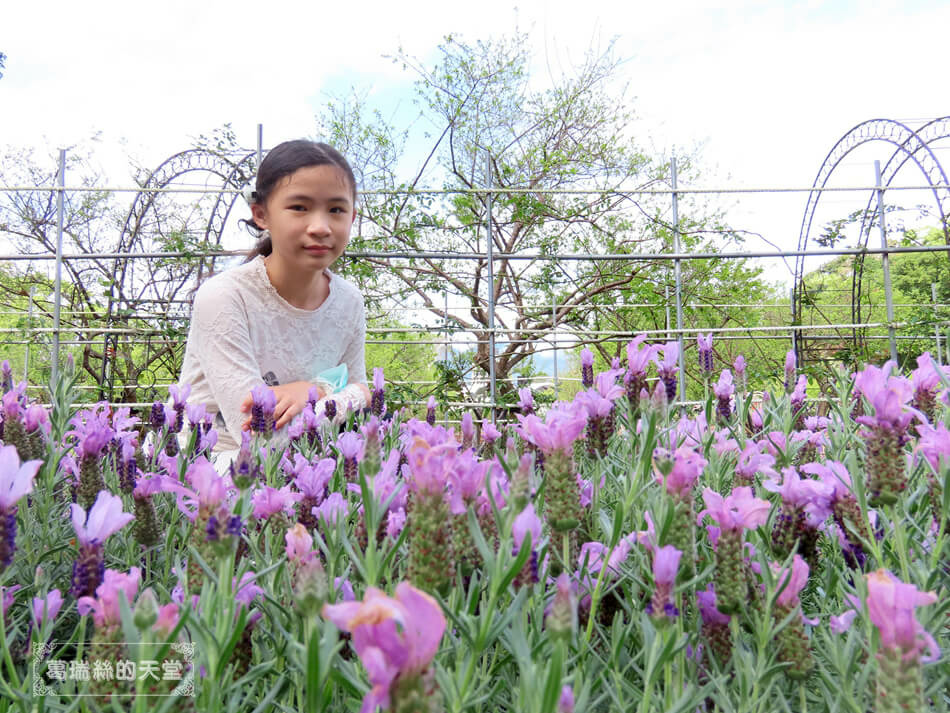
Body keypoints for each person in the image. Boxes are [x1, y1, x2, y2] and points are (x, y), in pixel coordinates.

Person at [177, 140, 371, 463]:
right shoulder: (225, 298)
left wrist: (316, 391)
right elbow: (261, 439)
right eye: (300, 207)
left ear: (352, 217)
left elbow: (363, 401)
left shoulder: (350, 302)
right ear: (261, 214)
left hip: (306, 467)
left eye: (336, 209)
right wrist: (330, 391)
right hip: (209, 472)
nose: (320, 227)